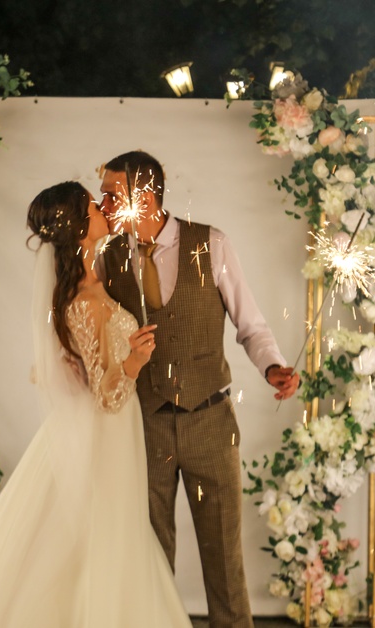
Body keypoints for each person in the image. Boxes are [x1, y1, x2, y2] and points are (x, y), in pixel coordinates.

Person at [0, 182, 192, 628]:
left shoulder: (88, 285)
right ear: (80, 228)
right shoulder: (85, 301)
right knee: (100, 540)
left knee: (84, 541)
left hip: (102, 433)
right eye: (93, 205)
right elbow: (108, 395)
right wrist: (134, 362)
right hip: (106, 436)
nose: (102, 208)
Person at [97, 151, 300, 628]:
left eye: (111, 192)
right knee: (149, 558)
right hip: (141, 426)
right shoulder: (109, 256)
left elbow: (250, 324)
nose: (101, 201)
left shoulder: (211, 243)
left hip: (211, 421)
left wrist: (272, 367)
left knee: (225, 561)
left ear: (143, 197)